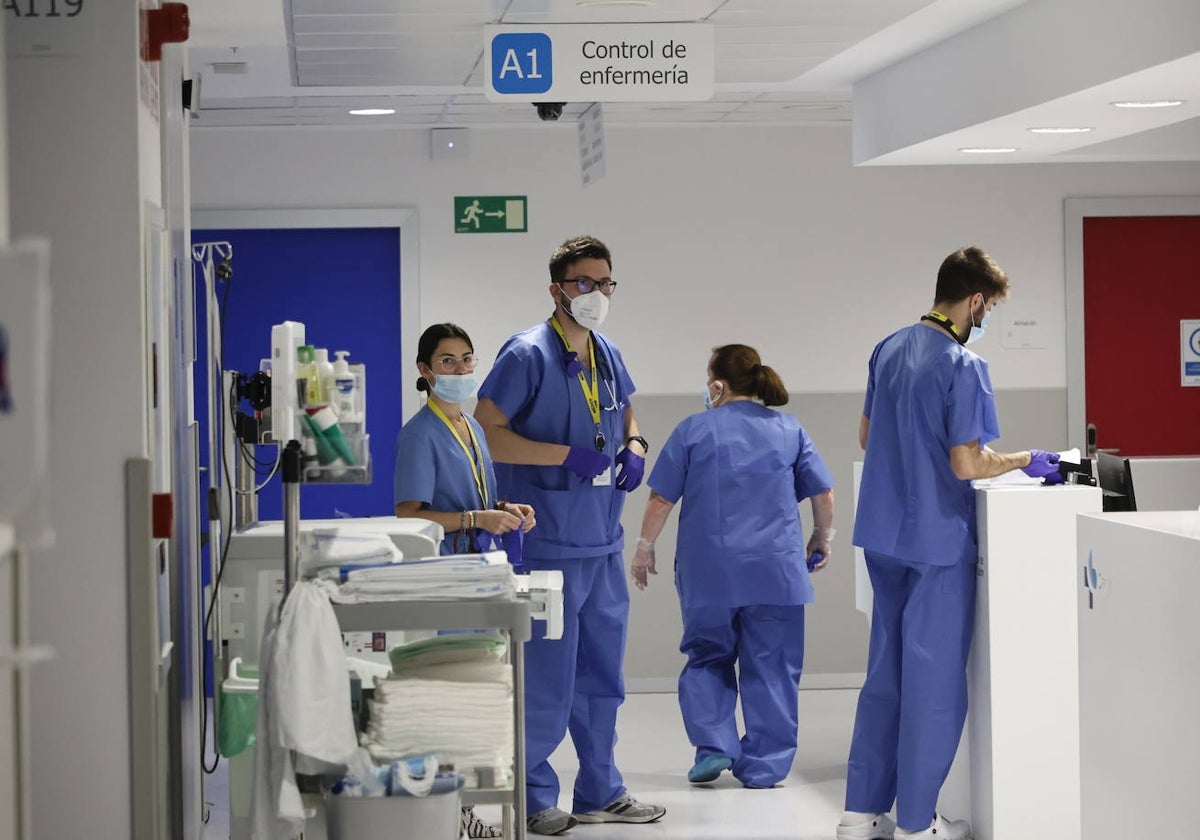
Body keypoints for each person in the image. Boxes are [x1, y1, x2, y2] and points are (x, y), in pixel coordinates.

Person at [837, 247, 1063, 840]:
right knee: (933, 686)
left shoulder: (886, 348)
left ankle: (859, 814)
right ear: (977, 301)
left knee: (885, 673)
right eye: (990, 309)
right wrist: (1027, 460)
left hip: (883, 536)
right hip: (936, 540)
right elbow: (967, 463)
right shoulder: (964, 364)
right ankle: (916, 825)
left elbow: (866, 433)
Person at [474, 236, 665, 836]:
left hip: (602, 543)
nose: (597, 294)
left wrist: (634, 444)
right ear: (557, 287)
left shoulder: (605, 351)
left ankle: (601, 790)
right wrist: (565, 457)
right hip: (547, 544)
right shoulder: (527, 354)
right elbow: (488, 432)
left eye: (605, 283)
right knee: (546, 679)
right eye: (585, 283)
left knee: (602, 680)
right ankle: (532, 794)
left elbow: (627, 410)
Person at [630, 344, 835, 789]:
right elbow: (823, 494)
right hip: (775, 573)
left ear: (717, 385)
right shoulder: (789, 429)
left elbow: (662, 498)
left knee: (707, 656)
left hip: (710, 571)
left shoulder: (692, 430)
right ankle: (764, 766)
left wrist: (645, 546)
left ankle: (715, 745)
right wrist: (822, 537)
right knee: (774, 666)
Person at [393, 322, 537, 840]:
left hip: (477, 572)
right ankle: (449, 815)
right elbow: (411, 516)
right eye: (447, 361)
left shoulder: (471, 428)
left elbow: (474, 499)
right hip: (443, 575)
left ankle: (463, 811)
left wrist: (505, 510)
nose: (459, 370)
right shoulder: (420, 432)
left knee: (481, 692)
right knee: (452, 698)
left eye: (466, 359)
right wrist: (477, 521)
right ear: (424, 371)